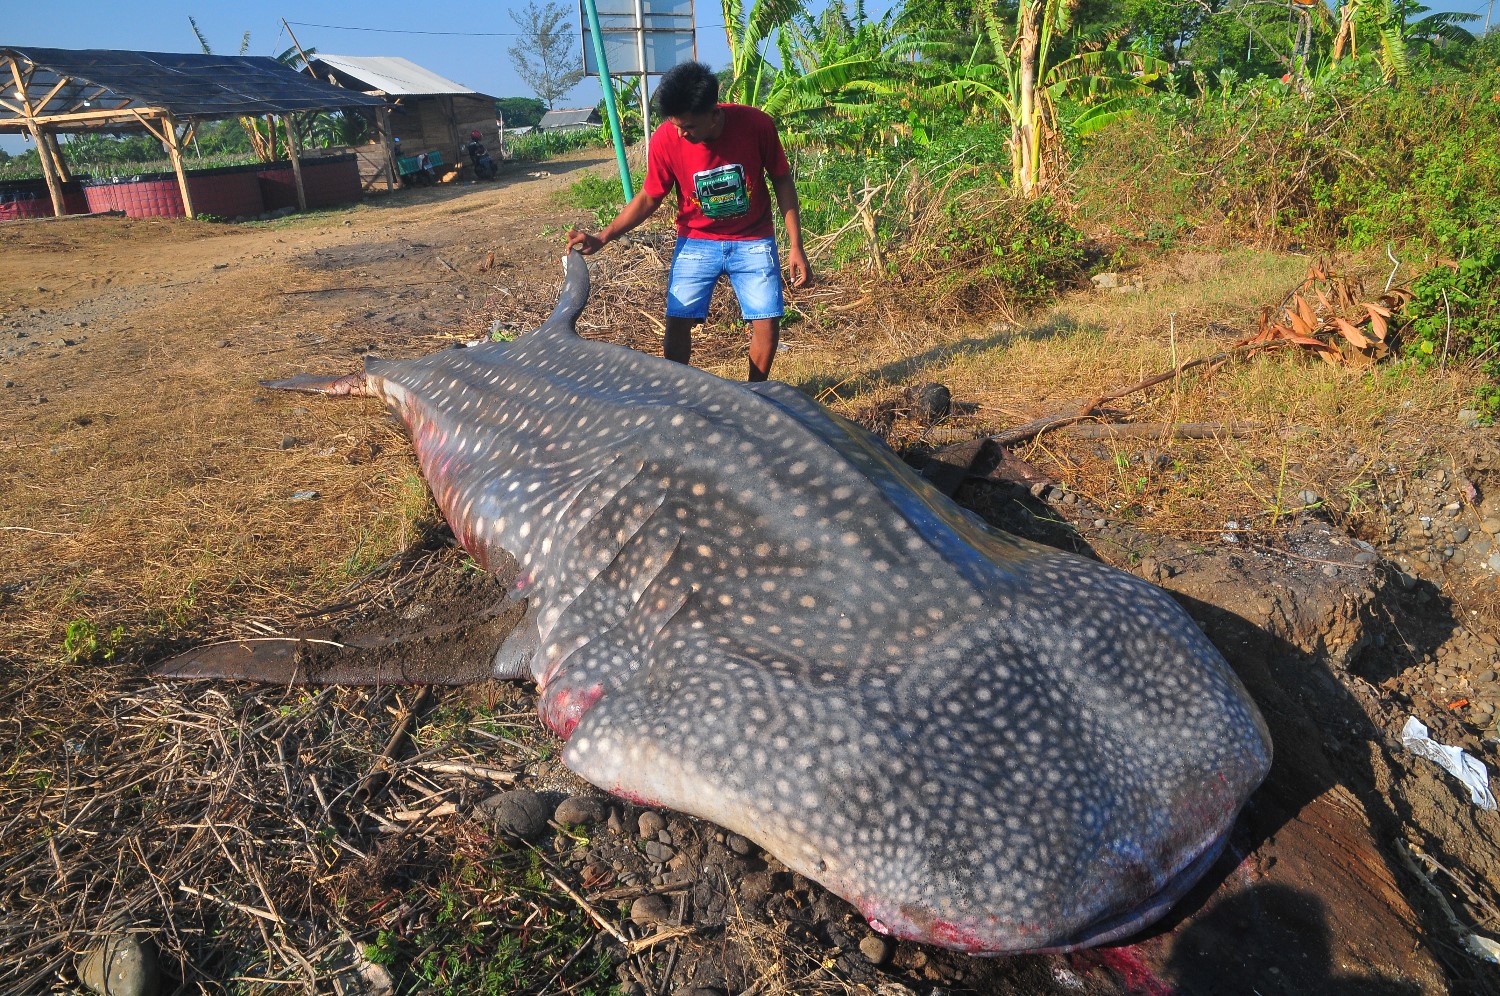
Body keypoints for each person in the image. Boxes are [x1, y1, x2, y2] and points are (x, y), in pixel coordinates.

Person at [567, 61, 811, 382]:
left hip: (753, 239)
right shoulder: (666, 138)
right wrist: (603, 236)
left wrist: (795, 245)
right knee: (678, 320)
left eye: (689, 127)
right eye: (676, 125)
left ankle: (755, 394)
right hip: (696, 242)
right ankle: (677, 393)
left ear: (714, 114)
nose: (681, 133)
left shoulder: (757, 125)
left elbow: (781, 179)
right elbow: (649, 197)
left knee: (767, 321)